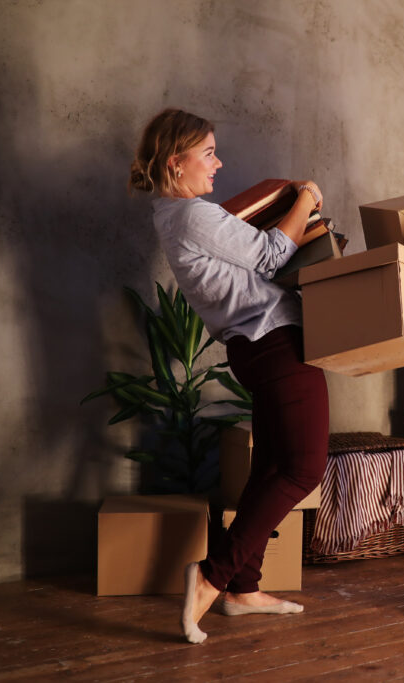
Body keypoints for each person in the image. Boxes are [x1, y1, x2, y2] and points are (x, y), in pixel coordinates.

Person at [129, 109, 329, 644]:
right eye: (209, 153)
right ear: (177, 161)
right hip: (276, 341)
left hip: (254, 345)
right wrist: (307, 198)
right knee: (304, 468)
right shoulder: (193, 216)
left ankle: (243, 588)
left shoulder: (174, 217)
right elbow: (267, 257)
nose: (219, 164)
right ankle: (213, 576)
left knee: (271, 466)